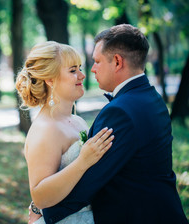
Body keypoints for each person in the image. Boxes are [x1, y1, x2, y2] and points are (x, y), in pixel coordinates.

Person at [40, 24, 188, 224]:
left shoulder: (120, 112)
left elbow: (91, 180)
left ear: (117, 62)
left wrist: (43, 212)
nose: (91, 69)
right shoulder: (152, 98)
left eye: (97, 61)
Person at [15, 41, 114, 224]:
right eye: (73, 70)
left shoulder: (78, 121)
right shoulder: (45, 129)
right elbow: (40, 197)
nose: (82, 75)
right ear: (50, 80)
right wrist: (82, 162)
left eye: (80, 68)